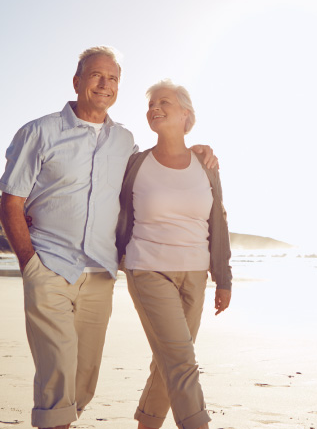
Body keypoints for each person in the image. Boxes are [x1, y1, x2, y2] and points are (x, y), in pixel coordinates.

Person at [0, 47, 216, 429]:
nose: (105, 84)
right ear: (77, 81)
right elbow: (11, 202)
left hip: (99, 271)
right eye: (97, 75)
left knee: (85, 376)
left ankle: (66, 416)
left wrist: (193, 149)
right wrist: (29, 263)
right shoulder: (40, 131)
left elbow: (155, 167)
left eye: (113, 78)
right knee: (57, 369)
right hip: (48, 264)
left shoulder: (125, 142)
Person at [116, 79, 232, 429]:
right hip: (147, 268)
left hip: (195, 274)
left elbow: (218, 220)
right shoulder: (135, 164)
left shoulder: (206, 165)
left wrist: (223, 278)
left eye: (164, 102)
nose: (155, 108)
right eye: (151, 105)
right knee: (181, 360)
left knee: (167, 360)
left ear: (186, 113)